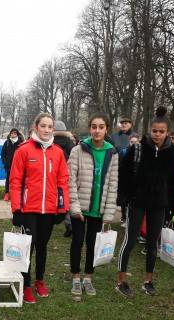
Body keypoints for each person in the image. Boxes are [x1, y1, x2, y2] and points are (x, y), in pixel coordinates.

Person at [116, 107, 174, 297]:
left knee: (153, 243)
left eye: (162, 132)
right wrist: (125, 198)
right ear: (149, 130)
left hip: (159, 205)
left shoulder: (171, 154)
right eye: (155, 131)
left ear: (167, 132)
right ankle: (121, 281)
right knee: (129, 241)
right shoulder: (137, 148)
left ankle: (148, 280)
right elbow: (124, 175)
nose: (158, 135)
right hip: (137, 203)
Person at [10, 113, 69, 304]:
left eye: (49, 127)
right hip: (29, 209)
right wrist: (16, 209)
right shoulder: (23, 150)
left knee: (43, 245)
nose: (46, 130)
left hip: (49, 210)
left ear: (53, 129)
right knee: (29, 247)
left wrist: (63, 208)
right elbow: (15, 180)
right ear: (36, 127)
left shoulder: (58, 152)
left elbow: (63, 182)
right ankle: (26, 284)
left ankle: (39, 281)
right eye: (42, 126)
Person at [67, 112, 118, 301]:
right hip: (80, 207)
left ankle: (88, 276)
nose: (97, 130)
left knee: (93, 244)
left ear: (106, 129)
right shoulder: (78, 150)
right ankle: (75, 276)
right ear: (90, 128)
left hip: (99, 209)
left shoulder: (112, 152)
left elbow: (113, 184)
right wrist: (75, 206)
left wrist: (109, 213)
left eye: (101, 127)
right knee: (77, 241)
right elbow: (70, 181)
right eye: (94, 126)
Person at [54, 121, 76, 237]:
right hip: (68, 176)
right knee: (66, 200)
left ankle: (50, 221)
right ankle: (69, 225)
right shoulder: (71, 143)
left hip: (53, 175)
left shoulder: (50, 143)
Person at [0, 128, 24, 201]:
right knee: (8, 180)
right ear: (10, 134)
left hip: (18, 166)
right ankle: (7, 194)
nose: (13, 134)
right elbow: (2, 154)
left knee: (19, 180)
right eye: (12, 133)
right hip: (9, 165)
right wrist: (5, 162)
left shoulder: (21, 143)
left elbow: (23, 154)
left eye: (15, 133)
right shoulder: (7, 142)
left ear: (17, 134)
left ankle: (18, 195)